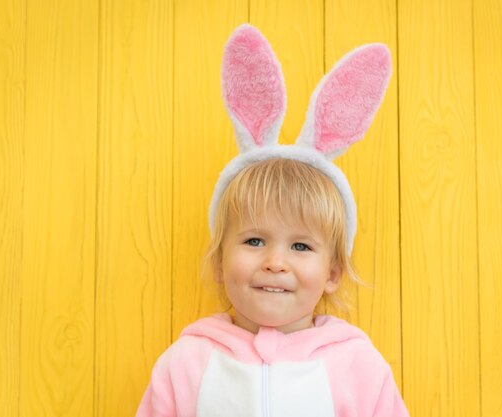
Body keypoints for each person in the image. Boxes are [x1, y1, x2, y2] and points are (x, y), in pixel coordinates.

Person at [136, 24, 409, 417]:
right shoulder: (185, 365)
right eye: (254, 241)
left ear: (333, 271)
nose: (275, 262)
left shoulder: (358, 368)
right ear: (218, 262)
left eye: (300, 246)